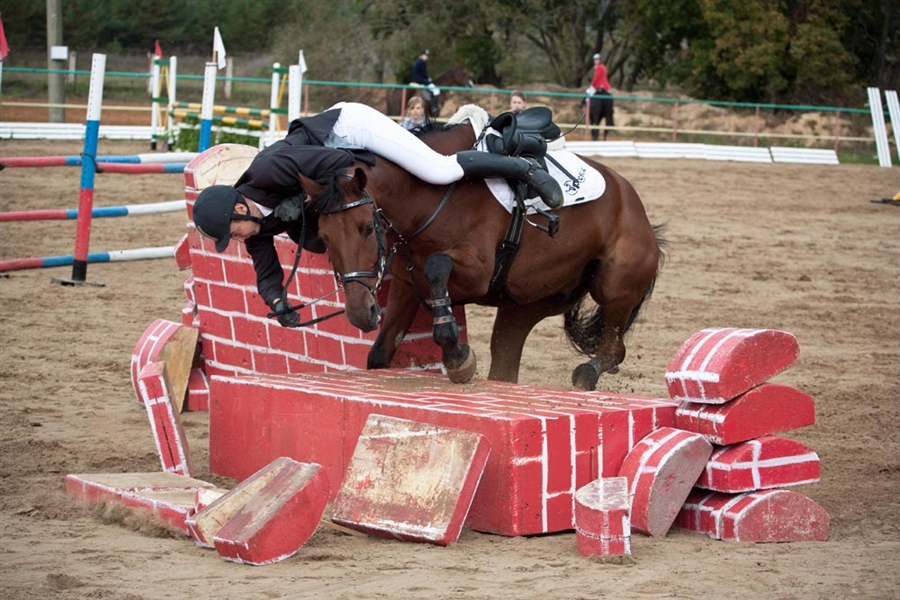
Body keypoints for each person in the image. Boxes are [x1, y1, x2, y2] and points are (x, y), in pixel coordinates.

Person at [192, 102, 564, 326]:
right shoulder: (255, 223)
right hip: (329, 147)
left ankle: (523, 168)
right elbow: (266, 269)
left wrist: (304, 201)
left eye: (233, 231)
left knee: (438, 170)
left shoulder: (271, 169)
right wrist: (277, 302)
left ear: (240, 208)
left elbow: (339, 161)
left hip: (349, 129)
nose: (238, 239)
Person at [587, 53, 614, 141]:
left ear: (599, 60)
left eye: (597, 60)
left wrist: (592, 85)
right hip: (606, 87)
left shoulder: (599, 67)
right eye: (595, 60)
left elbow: (596, 78)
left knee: (587, 93)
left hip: (599, 86)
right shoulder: (603, 67)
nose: (596, 61)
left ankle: (582, 103)